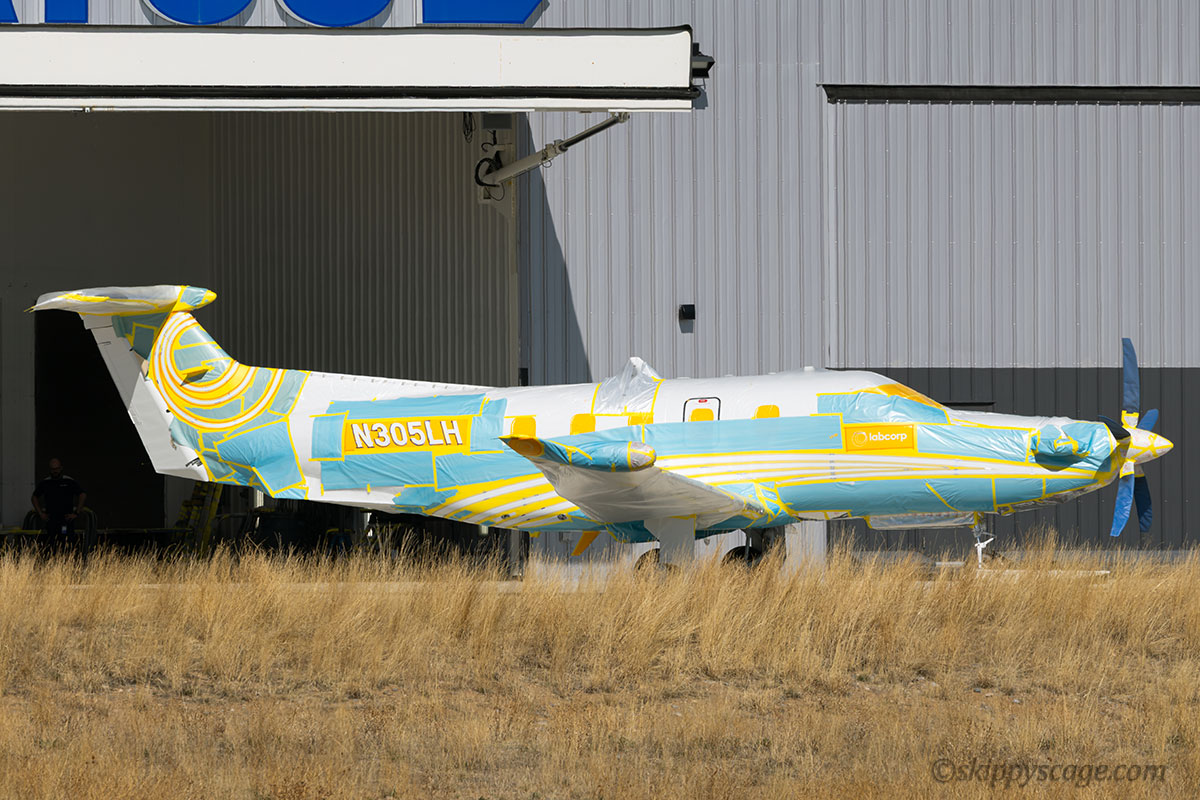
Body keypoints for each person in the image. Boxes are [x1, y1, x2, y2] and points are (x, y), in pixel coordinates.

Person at [31, 458, 86, 553]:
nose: (55, 471)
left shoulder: (69, 481)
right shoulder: (45, 482)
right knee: (52, 545)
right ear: (50, 470)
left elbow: (82, 495)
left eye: (56, 469)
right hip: (51, 520)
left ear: (61, 468)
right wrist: (40, 513)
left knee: (67, 544)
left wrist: (76, 512)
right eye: (52, 469)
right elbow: (34, 497)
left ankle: (67, 560)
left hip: (66, 520)